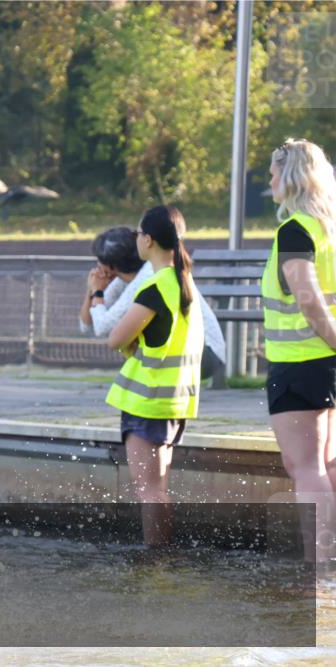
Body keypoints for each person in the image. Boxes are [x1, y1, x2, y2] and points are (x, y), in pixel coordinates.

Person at [105, 206, 204, 546]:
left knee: (149, 491)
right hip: (175, 399)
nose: (135, 239)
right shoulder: (184, 281)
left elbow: (116, 338)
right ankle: (162, 559)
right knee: (158, 488)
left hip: (148, 401)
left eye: (137, 233)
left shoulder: (156, 287)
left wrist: (131, 346)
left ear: (148, 240)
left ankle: (155, 562)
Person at [261, 139, 336, 563]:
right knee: (326, 464)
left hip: (301, 362)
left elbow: (307, 297)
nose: (269, 180)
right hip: (325, 364)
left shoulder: (295, 229)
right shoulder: (329, 228)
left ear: (290, 177)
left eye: (274, 172)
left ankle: (319, 566)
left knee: (305, 466)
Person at [80, 226, 225, 380]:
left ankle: (146, 387)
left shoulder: (147, 276)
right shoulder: (128, 278)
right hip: (192, 351)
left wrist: (97, 292)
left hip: (205, 354)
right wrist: (92, 289)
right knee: (130, 328)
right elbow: (87, 325)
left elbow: (102, 327)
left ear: (110, 265)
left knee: (127, 332)